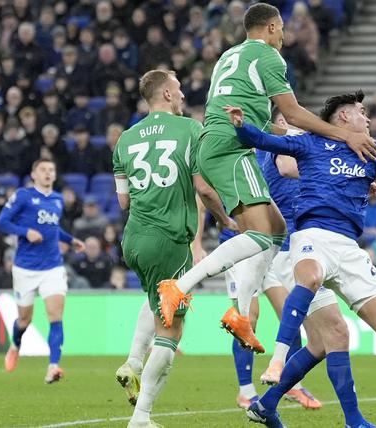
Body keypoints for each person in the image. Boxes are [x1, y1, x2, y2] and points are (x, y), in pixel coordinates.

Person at [224, 91, 376, 428]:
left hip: (348, 246)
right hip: (306, 238)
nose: (369, 118)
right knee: (313, 285)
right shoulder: (307, 141)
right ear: (344, 118)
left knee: (370, 328)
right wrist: (242, 126)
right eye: (362, 112)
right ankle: (276, 363)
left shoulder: (369, 153)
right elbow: (268, 143)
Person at [155, 2, 376, 354]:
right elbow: (293, 112)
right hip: (230, 148)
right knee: (260, 233)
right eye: (283, 29)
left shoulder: (230, 56)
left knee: (274, 229)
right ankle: (179, 287)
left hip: (219, 145)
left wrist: (289, 135)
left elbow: (270, 121)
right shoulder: (270, 58)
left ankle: (241, 313)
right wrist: (343, 137)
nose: (285, 36)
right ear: (272, 27)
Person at [111, 69, 234, 427]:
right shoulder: (190, 130)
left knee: (154, 297)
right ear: (165, 94)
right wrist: (225, 221)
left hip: (134, 239)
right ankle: (142, 416)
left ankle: (134, 360)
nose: (181, 95)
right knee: (171, 332)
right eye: (178, 90)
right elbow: (206, 190)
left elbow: (122, 201)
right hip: (169, 239)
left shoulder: (124, 139)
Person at [0, 158, 86, 383]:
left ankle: (53, 366)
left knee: (55, 316)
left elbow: (53, 230)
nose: (48, 173)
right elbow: (2, 222)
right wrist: (25, 232)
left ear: (55, 176)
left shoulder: (57, 199)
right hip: (25, 268)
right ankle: (16, 344)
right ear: (33, 174)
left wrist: (71, 239)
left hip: (52, 267)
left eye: (51, 170)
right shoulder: (23, 196)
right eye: (43, 170)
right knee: (24, 320)